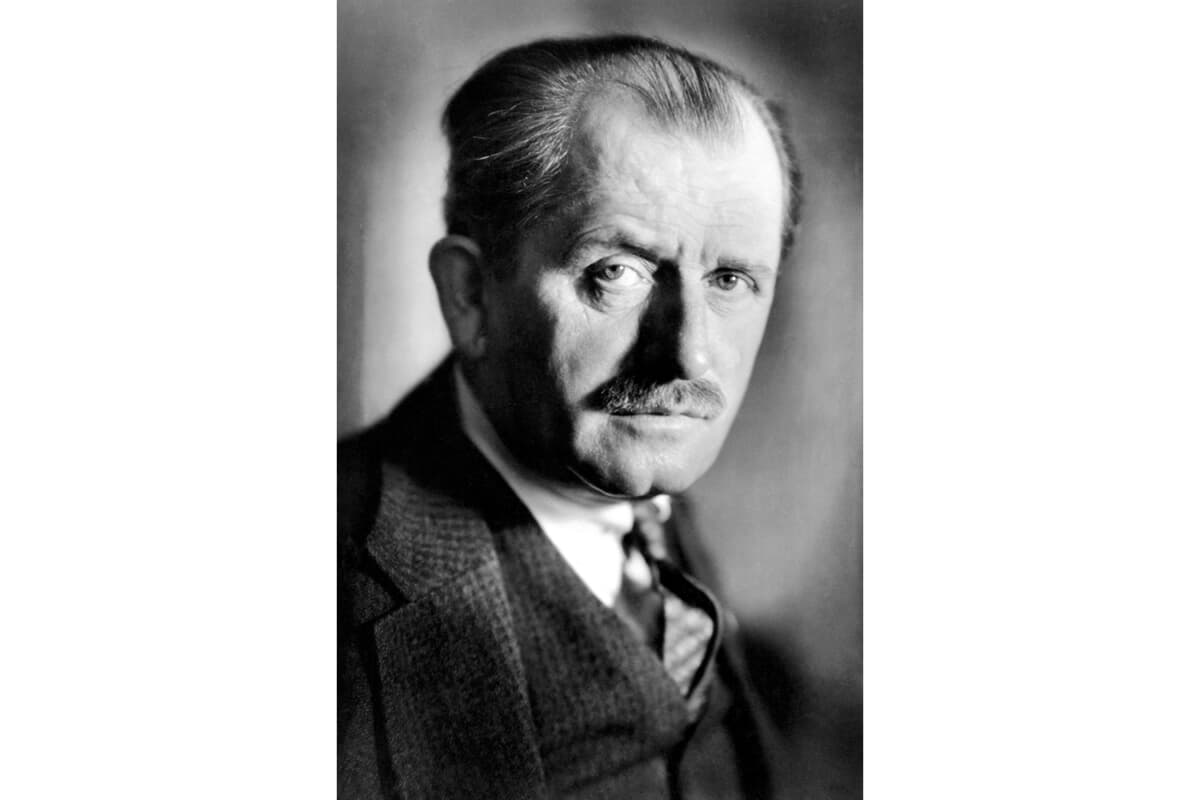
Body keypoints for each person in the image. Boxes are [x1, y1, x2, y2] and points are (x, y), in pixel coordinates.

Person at [338, 34, 803, 800]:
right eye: (616, 272)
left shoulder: (645, 508)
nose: (687, 357)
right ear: (470, 296)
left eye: (730, 279)